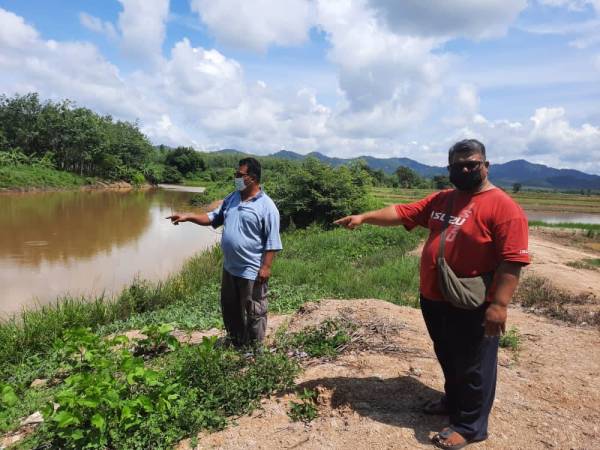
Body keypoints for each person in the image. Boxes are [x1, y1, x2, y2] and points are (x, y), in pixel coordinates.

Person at [334, 139, 529, 449]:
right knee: (449, 355)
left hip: (472, 302)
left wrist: (499, 305)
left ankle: (470, 425)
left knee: (474, 363)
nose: (464, 169)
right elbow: (400, 212)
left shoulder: (504, 207)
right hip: (435, 298)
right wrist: (363, 217)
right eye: (457, 165)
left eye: (472, 164)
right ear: (448, 168)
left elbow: (513, 260)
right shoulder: (444, 199)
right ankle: (453, 402)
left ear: (486, 166)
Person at [167, 157, 282, 347]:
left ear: (252, 178)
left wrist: (266, 267)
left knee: (254, 309)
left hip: (251, 270)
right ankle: (237, 342)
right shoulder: (232, 198)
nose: (235, 177)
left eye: (239, 174)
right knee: (230, 308)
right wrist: (188, 216)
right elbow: (213, 217)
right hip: (230, 268)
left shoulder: (267, 207)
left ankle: (255, 348)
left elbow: (272, 241)